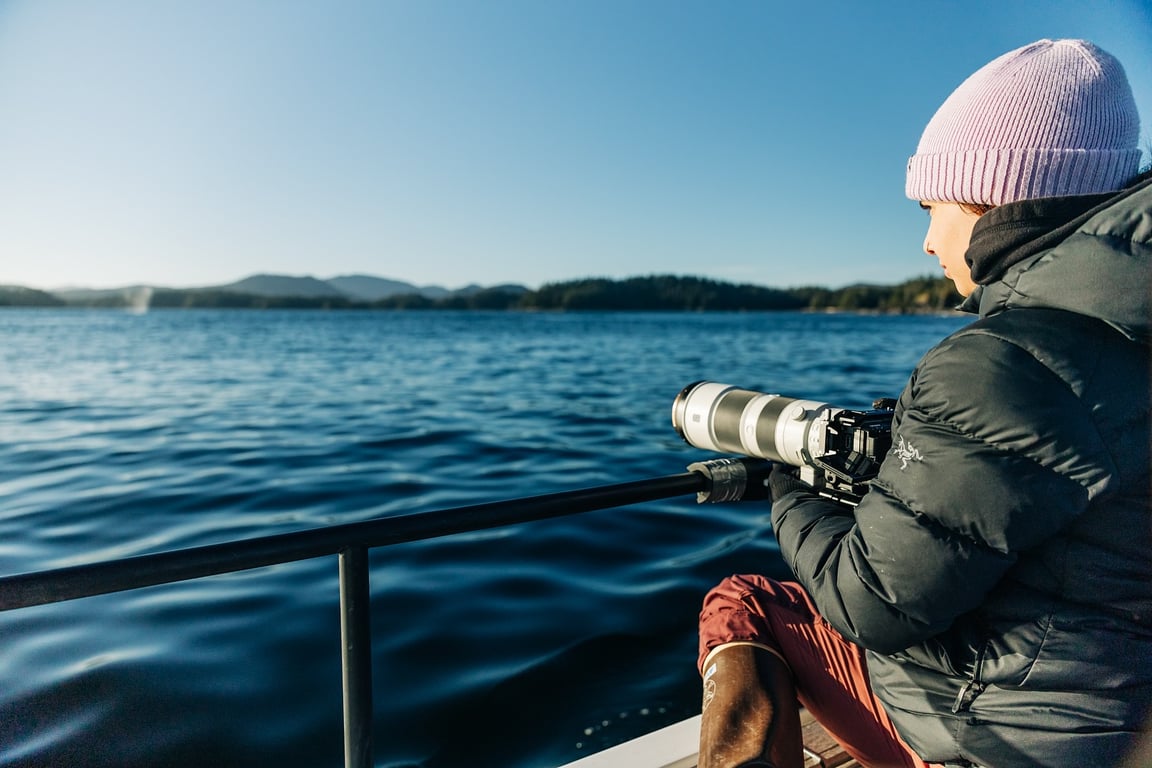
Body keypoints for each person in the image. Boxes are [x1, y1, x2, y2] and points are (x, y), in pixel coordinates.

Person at [696, 39, 1151, 768]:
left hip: (1007, 742)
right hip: (1119, 711)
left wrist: (788, 481)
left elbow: (871, 603)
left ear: (991, 189)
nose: (926, 238)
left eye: (930, 203)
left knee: (745, 599)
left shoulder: (1007, 360)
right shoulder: (1127, 331)